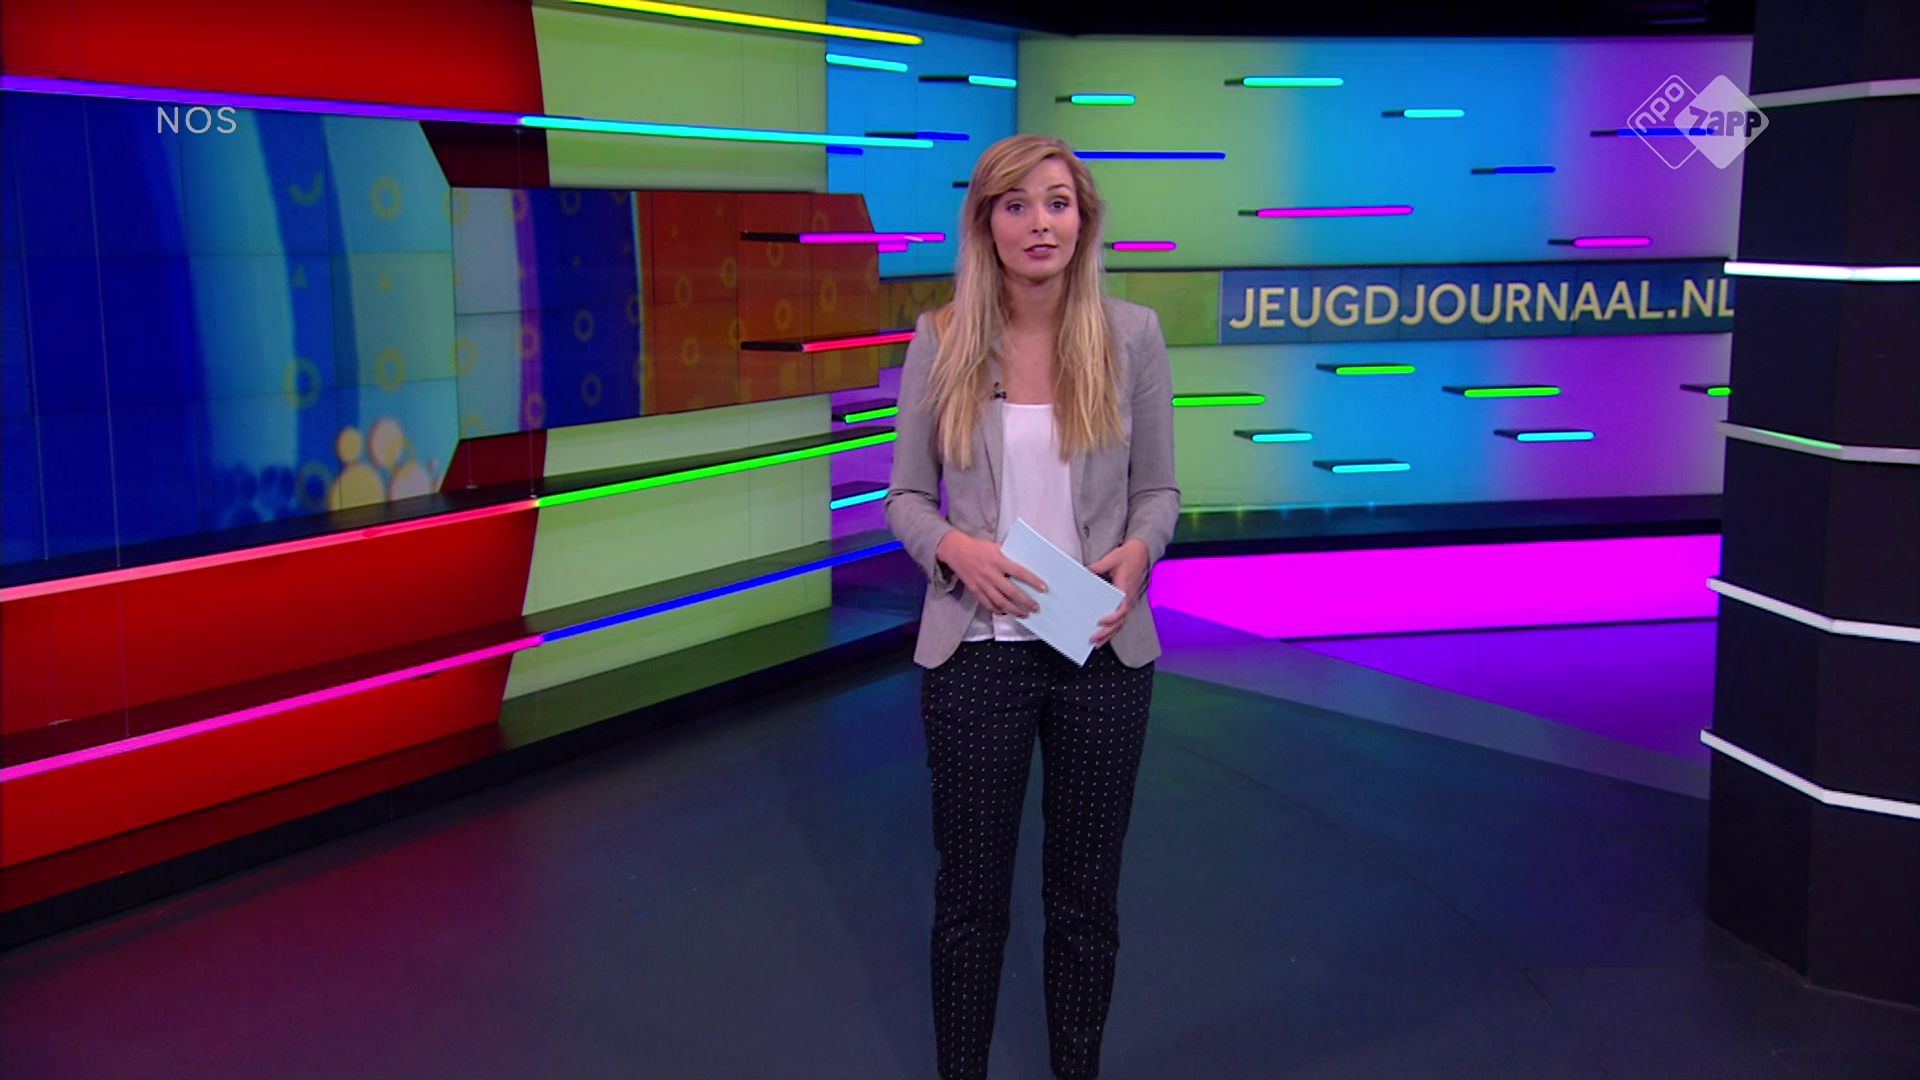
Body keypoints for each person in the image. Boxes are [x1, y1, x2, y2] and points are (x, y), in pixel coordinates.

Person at [884, 133, 1180, 1080]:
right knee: (971, 902)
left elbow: (1159, 491)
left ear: (1083, 219)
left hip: (1100, 655)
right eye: (1015, 205)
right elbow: (906, 498)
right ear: (986, 223)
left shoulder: (1131, 336)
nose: (1039, 223)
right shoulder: (941, 340)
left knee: (1086, 903)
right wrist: (955, 549)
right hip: (978, 654)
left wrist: (1140, 552)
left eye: (1056, 202)